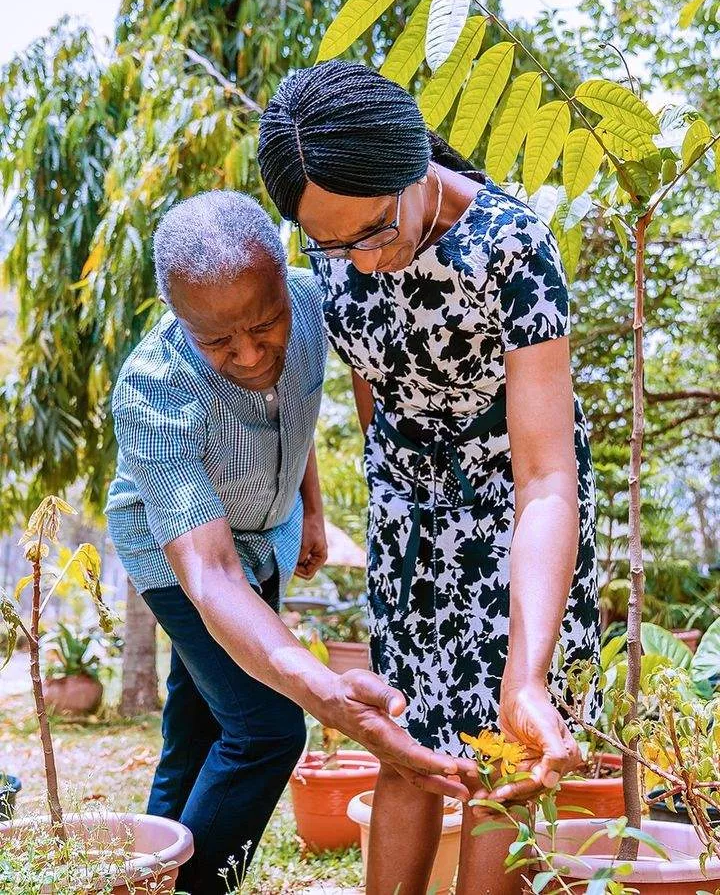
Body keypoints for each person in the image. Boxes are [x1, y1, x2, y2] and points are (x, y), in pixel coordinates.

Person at [258, 61, 601, 895]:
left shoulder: (510, 247)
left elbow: (547, 474)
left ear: (413, 167)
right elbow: (373, 386)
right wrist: (388, 502)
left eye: (373, 232)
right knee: (404, 744)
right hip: (412, 521)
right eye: (330, 245)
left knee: (497, 759)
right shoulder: (340, 236)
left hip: (511, 520)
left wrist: (527, 671)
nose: (360, 263)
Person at [105, 191, 473, 894]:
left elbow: (290, 405)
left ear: (284, 279)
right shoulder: (153, 390)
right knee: (266, 729)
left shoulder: (313, 301)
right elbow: (211, 578)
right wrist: (327, 693)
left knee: (198, 725)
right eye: (219, 341)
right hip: (175, 552)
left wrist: (311, 508)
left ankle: (143, 882)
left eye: (264, 324)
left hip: (265, 532)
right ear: (180, 318)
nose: (249, 354)